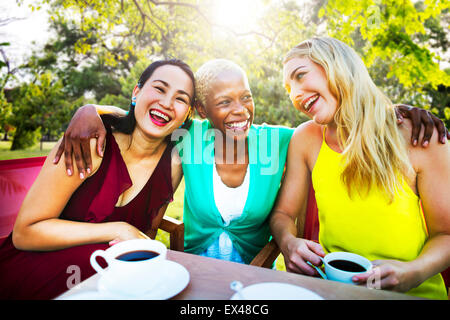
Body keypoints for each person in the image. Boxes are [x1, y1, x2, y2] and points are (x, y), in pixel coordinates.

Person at [55, 60, 447, 266]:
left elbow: (342, 118)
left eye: (246, 96)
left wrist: (399, 111)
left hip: (254, 275)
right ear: (201, 110)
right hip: (194, 272)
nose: (241, 110)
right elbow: (145, 115)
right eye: (224, 102)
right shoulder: (187, 138)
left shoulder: (283, 140)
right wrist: (90, 109)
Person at [270, 37, 449, 299]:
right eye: (288, 88)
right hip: (334, 290)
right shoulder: (305, 139)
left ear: (337, 66)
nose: (294, 95)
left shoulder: (421, 138)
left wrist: (413, 273)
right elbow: (283, 214)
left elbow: (446, 233)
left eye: (300, 75)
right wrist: (288, 242)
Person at [0, 59, 196, 299]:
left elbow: (144, 241)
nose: (166, 103)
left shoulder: (173, 165)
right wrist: (118, 229)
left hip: (107, 286)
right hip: (34, 273)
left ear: (188, 113)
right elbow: (25, 233)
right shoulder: (89, 142)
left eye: (181, 98)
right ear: (137, 92)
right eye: (159, 88)